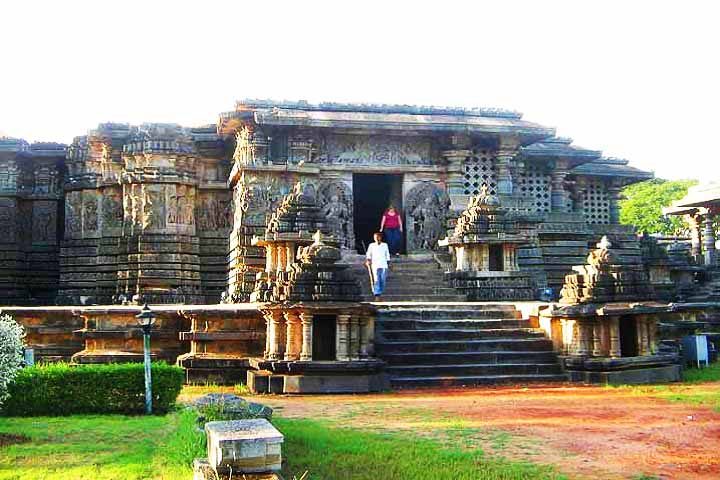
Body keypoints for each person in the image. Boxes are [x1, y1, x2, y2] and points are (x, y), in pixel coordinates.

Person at [365, 232, 390, 300]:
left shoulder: (385, 245)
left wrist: (388, 262)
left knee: (383, 280)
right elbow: (368, 254)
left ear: (380, 238)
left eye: (378, 237)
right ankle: (377, 294)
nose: (376, 239)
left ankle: (380, 292)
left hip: (383, 265)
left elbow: (387, 254)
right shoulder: (371, 245)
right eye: (375, 237)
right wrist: (368, 260)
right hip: (375, 265)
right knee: (376, 279)